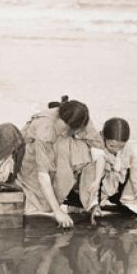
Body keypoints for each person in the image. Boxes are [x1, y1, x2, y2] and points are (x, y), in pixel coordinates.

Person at [15, 98, 105, 228]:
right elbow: (43, 174)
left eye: (70, 130)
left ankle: (82, 197)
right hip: (32, 155)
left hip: (60, 149)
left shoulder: (83, 120)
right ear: (59, 116)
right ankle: (59, 194)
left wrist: (94, 196)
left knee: (85, 152)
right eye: (64, 127)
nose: (65, 132)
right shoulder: (45, 127)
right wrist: (57, 211)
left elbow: (98, 151)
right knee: (43, 203)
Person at [88, 117, 137, 224]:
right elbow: (88, 178)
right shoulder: (94, 146)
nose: (116, 150)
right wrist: (93, 204)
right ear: (103, 136)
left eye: (120, 147)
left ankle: (122, 201)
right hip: (95, 187)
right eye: (111, 145)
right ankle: (96, 204)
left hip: (115, 187)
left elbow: (136, 174)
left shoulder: (128, 148)